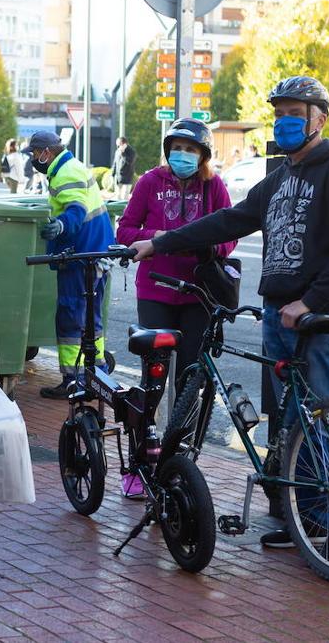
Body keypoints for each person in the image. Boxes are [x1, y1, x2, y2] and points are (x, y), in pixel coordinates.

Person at [129, 75, 329, 562]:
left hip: (317, 316)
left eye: (295, 112)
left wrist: (311, 301)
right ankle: (304, 519)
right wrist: (158, 243)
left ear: (319, 118)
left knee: (327, 414)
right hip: (276, 313)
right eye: (279, 111)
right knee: (290, 421)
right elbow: (228, 221)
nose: (285, 120)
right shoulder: (281, 177)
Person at [115, 119, 235, 496]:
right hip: (155, 292)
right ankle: (139, 463)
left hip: (199, 295)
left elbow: (229, 233)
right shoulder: (150, 181)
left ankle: (181, 463)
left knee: (190, 382)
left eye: (191, 149)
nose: (183, 155)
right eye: (177, 148)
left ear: (203, 155)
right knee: (154, 380)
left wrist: (206, 245)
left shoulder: (213, 186)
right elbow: (125, 231)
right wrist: (161, 238)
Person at [27, 130, 116, 399]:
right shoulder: (71, 166)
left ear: (46, 152)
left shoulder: (65, 172)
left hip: (80, 255)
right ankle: (96, 371)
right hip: (96, 252)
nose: (33, 158)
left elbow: (75, 209)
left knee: (70, 317)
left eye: (34, 153)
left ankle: (73, 380)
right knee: (91, 317)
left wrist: (61, 225)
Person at [112, 135, 136, 199]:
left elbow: (129, 162)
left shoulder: (131, 152)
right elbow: (115, 163)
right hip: (118, 178)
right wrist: (112, 174)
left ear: (125, 144)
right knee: (117, 196)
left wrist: (123, 153)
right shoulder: (117, 151)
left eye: (119, 145)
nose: (118, 147)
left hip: (127, 178)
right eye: (117, 145)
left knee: (124, 197)